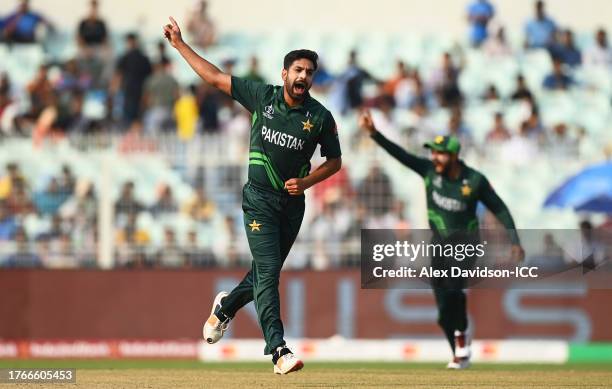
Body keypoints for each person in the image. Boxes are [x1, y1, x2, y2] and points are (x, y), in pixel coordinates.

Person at [164, 16, 342, 374]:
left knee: (264, 271)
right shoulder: (264, 97)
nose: (303, 76)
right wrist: (181, 45)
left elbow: (335, 162)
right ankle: (279, 351)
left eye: (309, 72)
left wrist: (307, 183)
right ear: (284, 73)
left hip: (292, 205)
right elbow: (214, 78)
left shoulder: (320, 118)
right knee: (270, 273)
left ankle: (226, 307)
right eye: (298, 70)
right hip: (258, 200)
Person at [359, 110, 524, 369]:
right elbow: (401, 155)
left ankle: (461, 341)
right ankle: (460, 351)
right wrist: (374, 134)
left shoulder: (475, 180)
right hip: (437, 248)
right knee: (443, 313)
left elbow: (500, 209)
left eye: (440, 153)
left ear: (455, 155)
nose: (434, 157)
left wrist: (514, 241)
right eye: (433, 152)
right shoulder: (429, 172)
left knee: (452, 290)